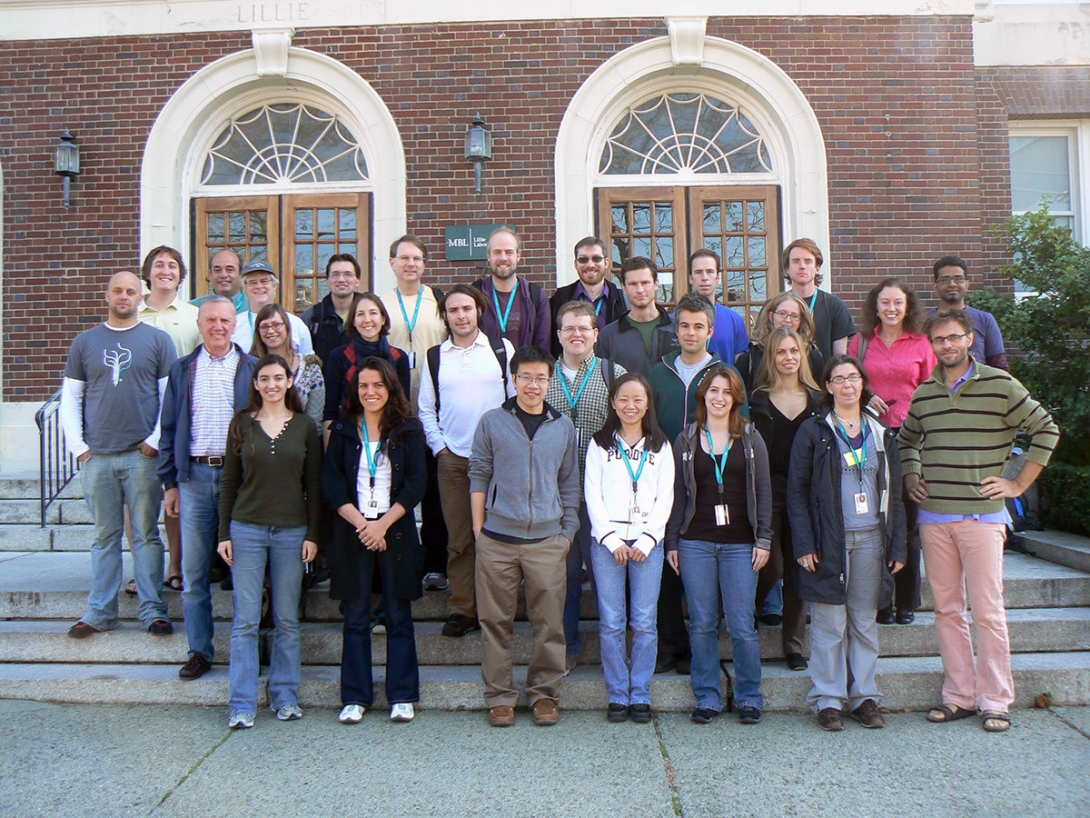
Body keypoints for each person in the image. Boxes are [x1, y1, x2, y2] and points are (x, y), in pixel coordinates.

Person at [899, 310, 1059, 734]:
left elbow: (1046, 429)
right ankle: (959, 695)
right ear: (930, 344)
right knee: (948, 612)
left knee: (987, 611)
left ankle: (995, 699)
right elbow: (908, 438)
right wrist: (912, 473)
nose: (946, 345)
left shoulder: (1000, 385)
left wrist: (1018, 484)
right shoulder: (926, 392)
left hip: (981, 518)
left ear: (970, 338)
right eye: (939, 339)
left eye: (954, 337)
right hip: (934, 519)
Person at [787, 355, 907, 731]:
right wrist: (804, 544)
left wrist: (899, 546)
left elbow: (897, 495)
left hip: (872, 539)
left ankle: (865, 697)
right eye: (838, 379)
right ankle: (828, 699)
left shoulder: (881, 432)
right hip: (829, 541)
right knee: (829, 624)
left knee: (863, 622)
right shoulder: (814, 431)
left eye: (852, 377)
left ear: (862, 382)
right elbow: (796, 493)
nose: (847, 385)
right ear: (827, 387)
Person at [61, 271, 177, 638]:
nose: (124, 296)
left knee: (145, 534)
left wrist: (155, 442)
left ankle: (152, 609)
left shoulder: (158, 341)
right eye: (118, 290)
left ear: (140, 297)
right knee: (104, 536)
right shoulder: (85, 342)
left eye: (131, 291)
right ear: (107, 295)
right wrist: (79, 448)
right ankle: (101, 611)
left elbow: (168, 397)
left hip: (140, 456)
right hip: (97, 457)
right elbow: (71, 398)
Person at [469, 345, 580, 727]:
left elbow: (569, 484)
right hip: (497, 540)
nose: (533, 385)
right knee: (495, 622)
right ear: (513, 379)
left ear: (550, 382)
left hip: (548, 542)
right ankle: (500, 697)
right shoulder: (492, 422)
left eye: (541, 378)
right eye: (526, 377)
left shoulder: (562, 427)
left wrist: (567, 533)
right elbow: (479, 473)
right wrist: (478, 528)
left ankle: (544, 695)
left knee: (549, 623)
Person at [217, 354, 322, 728]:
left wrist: (313, 534)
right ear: (256, 384)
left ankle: (285, 696)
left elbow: (313, 484)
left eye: (279, 377)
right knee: (245, 620)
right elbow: (229, 482)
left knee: (287, 619)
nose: (272, 384)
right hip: (246, 528)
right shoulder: (242, 424)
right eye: (265, 378)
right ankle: (242, 703)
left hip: (291, 531)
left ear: (290, 381)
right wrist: (223, 534)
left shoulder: (306, 426)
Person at [665, 365, 771, 725]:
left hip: (742, 544)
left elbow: (764, 493)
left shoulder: (751, 438)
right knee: (702, 623)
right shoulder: (687, 439)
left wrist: (765, 539)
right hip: (695, 543)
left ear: (736, 398)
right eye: (713, 390)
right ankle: (708, 696)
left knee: (742, 623)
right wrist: (672, 541)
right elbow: (678, 495)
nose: (719, 397)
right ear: (703, 396)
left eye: (726, 392)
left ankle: (748, 696)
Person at [158, 295, 257, 680]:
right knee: (195, 572)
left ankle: (247, 649)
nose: (218, 326)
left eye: (225, 320)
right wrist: (170, 482)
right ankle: (200, 650)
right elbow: (169, 429)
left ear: (235, 325)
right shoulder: (182, 370)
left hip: (242, 481)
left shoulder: (252, 368)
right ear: (199, 325)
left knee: (247, 569)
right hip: (195, 479)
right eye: (211, 320)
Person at [323, 358, 427, 724]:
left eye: (378, 385)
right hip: (354, 532)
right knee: (355, 616)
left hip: (394, 531)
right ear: (356, 390)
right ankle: (355, 696)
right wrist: (364, 526)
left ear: (390, 388)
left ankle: (401, 695)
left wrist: (382, 525)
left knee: (399, 614)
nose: (371, 392)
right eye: (364, 386)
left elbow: (416, 483)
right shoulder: (343, 430)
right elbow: (332, 483)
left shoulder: (409, 429)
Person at [418, 285, 514, 638]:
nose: (461, 315)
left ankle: (498, 609)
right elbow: (426, 409)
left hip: (498, 460)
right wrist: (441, 448)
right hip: (455, 461)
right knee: (460, 539)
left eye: (467, 309)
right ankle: (463, 609)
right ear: (445, 315)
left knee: (499, 537)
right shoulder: (435, 357)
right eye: (453, 310)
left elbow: (515, 401)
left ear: (479, 311)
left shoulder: (501, 350)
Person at [584, 373, 674, 723]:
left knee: (644, 621)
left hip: (646, 545)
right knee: (611, 622)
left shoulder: (660, 446)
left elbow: (665, 497)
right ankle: (617, 693)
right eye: (623, 399)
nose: (630, 406)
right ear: (612, 403)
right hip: (608, 545)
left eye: (637, 399)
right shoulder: (599, 444)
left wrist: (650, 538)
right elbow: (592, 494)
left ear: (648, 403)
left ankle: (640, 692)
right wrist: (609, 538)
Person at [848, 277, 937, 626]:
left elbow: (933, 391)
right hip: (869, 438)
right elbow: (847, 381)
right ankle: (881, 600)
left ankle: (906, 600)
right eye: (885, 302)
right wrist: (865, 394)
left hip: (911, 439)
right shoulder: (861, 343)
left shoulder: (922, 344)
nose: (891, 309)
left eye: (897, 302)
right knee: (875, 521)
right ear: (875, 305)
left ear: (907, 305)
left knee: (907, 522)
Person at [545, 300, 626, 674]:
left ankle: (617, 648)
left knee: (606, 575)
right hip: (556, 497)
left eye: (584, 329)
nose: (576, 335)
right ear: (558, 334)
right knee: (563, 577)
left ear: (596, 335)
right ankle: (567, 646)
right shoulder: (542, 378)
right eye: (569, 329)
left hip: (603, 498)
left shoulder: (614, 374)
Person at [750, 326, 822, 671]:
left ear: (802, 355)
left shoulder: (819, 400)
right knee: (772, 563)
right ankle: (744, 609)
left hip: (807, 493)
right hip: (770, 490)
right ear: (771, 357)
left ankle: (793, 644)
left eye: (793, 351)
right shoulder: (758, 400)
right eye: (780, 351)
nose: (788, 357)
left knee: (799, 568)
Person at [380, 235, 450, 591]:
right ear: (392, 262)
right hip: (394, 410)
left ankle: (436, 563)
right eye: (404, 258)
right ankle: (400, 563)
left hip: (434, 409)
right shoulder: (380, 303)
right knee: (398, 488)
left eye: (417, 259)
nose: (411, 264)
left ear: (424, 265)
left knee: (435, 491)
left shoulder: (437, 301)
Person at [137, 245, 200, 593]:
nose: (165, 270)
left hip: (179, 423)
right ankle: (144, 570)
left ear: (180, 274)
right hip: (137, 422)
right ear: (147, 272)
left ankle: (175, 565)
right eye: (159, 264)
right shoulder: (132, 313)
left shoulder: (192, 316)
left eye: (172, 265)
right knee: (139, 502)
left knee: (174, 497)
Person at [323, 293, 411, 438]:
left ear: (383, 319)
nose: (367, 319)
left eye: (373, 313)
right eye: (360, 314)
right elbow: (330, 410)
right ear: (353, 321)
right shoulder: (339, 357)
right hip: (349, 435)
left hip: (391, 434)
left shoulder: (399, 358)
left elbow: (404, 407)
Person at [595, 257, 679, 378]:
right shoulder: (609, 335)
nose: (640, 290)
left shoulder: (677, 329)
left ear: (656, 284)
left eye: (645, 283)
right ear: (624, 287)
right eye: (633, 284)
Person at [473, 227, 551, 349]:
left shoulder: (536, 296)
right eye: (497, 252)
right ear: (489, 256)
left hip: (524, 368)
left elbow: (543, 347)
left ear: (518, 256)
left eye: (509, 252)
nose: (503, 258)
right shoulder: (474, 295)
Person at [250, 303, 325, 430]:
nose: (270, 330)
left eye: (276, 324)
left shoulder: (310, 368)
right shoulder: (250, 366)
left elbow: (315, 422)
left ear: (287, 327)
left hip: (299, 443)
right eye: (264, 326)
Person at [549, 236, 627, 356]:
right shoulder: (558, 300)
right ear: (575, 264)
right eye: (583, 259)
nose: (590, 265)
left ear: (606, 262)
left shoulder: (623, 300)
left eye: (596, 258)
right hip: (571, 371)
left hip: (611, 371)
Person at [928, 255, 1009, 370]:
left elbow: (999, 365)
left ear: (967, 285)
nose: (952, 284)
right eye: (945, 279)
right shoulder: (923, 322)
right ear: (935, 286)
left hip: (978, 386)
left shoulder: (985, 320)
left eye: (958, 279)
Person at [736, 291, 824, 393]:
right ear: (771, 316)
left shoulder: (813, 356)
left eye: (795, 316)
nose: (787, 320)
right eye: (782, 313)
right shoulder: (750, 359)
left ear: (801, 321)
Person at [781, 238, 855, 359]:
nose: (802, 266)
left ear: (817, 268)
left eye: (808, 261)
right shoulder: (776, 307)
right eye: (796, 261)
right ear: (787, 268)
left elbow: (839, 359)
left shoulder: (835, 306)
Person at [231, 260, 314, 356]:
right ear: (244, 289)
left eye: (264, 281)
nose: (259, 286)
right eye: (252, 282)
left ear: (274, 286)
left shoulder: (296, 324)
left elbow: (309, 362)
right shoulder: (235, 324)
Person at [686, 249, 750, 363]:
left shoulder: (734, 321)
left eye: (710, 271)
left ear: (718, 277)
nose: (704, 277)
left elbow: (741, 367)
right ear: (691, 278)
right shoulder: (676, 320)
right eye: (698, 272)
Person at [302, 253, 361, 364]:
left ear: (358, 281)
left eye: (348, 274)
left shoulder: (370, 315)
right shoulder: (312, 318)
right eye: (335, 274)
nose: (341, 279)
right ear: (328, 280)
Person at [192, 249, 248, 313]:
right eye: (218, 270)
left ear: (241, 274)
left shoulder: (253, 307)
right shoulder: (193, 308)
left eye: (229, 270)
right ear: (210, 275)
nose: (223, 275)